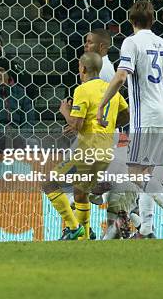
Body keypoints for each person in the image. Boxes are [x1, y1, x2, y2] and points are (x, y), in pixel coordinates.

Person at [97, 0, 163, 238]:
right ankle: (147, 230)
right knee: (146, 174)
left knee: (136, 175)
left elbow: (120, 77)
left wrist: (102, 104)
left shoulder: (131, 42)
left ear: (131, 21)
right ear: (153, 20)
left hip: (146, 117)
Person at [44, 52, 129, 240]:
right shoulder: (110, 89)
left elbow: (78, 125)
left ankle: (74, 228)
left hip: (88, 149)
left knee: (49, 184)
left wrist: (66, 113)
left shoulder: (82, 90)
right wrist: (107, 124)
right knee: (80, 194)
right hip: (106, 151)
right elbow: (126, 115)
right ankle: (83, 239)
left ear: (82, 68)